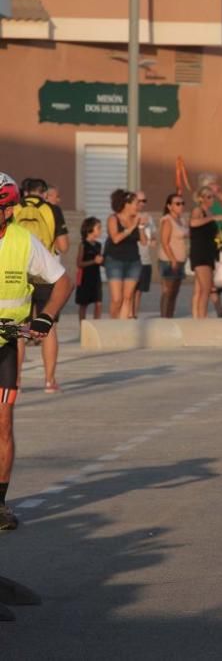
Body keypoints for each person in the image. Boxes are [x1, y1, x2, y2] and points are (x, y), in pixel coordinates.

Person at [0, 172, 72, 529]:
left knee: (3, 426)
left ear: (8, 210)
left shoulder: (22, 242)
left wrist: (45, 317)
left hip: (3, 346)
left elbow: (62, 280)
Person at [12, 178, 70, 394]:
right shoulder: (52, 209)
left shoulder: (14, 208)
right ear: (44, 193)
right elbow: (63, 246)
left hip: (18, 274)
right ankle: (49, 381)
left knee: (18, 330)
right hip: (46, 275)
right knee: (49, 325)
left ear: (25, 191)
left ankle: (15, 381)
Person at [104, 189, 147, 320]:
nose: (138, 206)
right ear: (126, 204)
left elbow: (144, 242)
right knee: (117, 299)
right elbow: (115, 238)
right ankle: (113, 325)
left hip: (133, 261)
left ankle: (122, 328)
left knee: (127, 298)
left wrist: (140, 227)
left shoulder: (136, 220)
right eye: (136, 203)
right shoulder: (113, 218)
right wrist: (131, 227)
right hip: (114, 261)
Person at [188, 186, 222, 318]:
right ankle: (202, 318)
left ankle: (197, 317)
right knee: (206, 288)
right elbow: (193, 223)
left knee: (199, 289)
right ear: (200, 198)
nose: (211, 199)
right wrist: (213, 219)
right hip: (200, 253)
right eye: (208, 196)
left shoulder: (210, 212)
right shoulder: (198, 210)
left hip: (209, 252)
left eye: (212, 196)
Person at [158, 193, 189, 318]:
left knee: (175, 292)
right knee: (168, 292)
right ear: (169, 206)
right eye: (177, 203)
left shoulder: (181, 220)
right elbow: (164, 242)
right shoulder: (167, 220)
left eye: (182, 203)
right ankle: (164, 318)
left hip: (180, 260)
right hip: (169, 260)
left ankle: (169, 317)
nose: (180, 206)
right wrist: (172, 259)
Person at [75, 217, 104, 321]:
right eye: (99, 228)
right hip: (85, 278)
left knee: (99, 303)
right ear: (90, 229)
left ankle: (96, 325)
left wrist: (103, 261)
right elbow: (79, 263)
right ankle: (83, 328)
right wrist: (93, 261)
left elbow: (100, 261)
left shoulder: (98, 245)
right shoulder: (83, 245)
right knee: (83, 305)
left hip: (96, 278)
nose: (101, 230)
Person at [133, 190, 155, 318]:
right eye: (139, 201)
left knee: (139, 291)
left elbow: (153, 235)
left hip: (145, 259)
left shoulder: (149, 217)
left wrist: (153, 240)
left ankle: (134, 314)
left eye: (144, 201)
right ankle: (128, 315)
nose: (141, 203)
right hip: (133, 259)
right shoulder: (129, 217)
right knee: (130, 290)